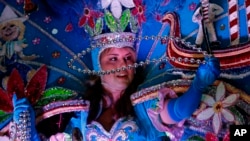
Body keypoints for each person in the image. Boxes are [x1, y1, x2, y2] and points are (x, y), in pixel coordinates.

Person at [9, 1, 221, 140]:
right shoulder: (80, 116)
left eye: (128, 57)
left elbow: (177, 111)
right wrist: (25, 126)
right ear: (99, 65)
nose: (123, 65)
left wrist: (198, 84)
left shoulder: (144, 103)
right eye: (113, 58)